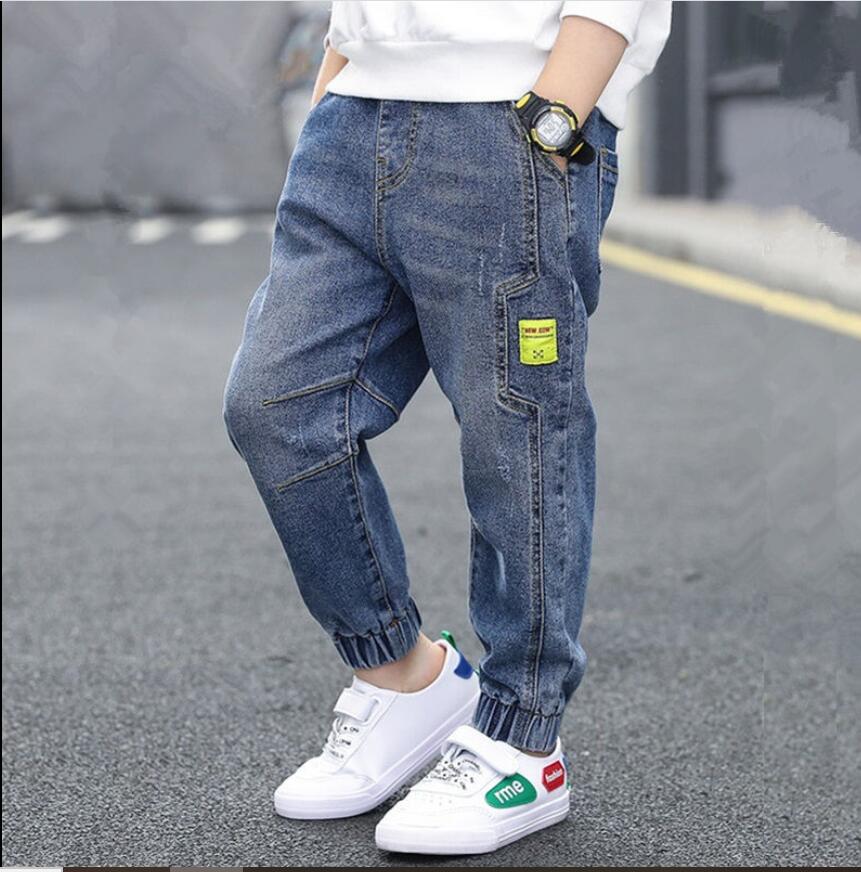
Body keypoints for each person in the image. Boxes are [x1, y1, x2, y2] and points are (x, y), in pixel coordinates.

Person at [223, 0, 671, 856]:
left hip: (507, 117)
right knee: (278, 405)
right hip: (353, 119)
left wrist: (553, 120)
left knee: (517, 433)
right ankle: (405, 678)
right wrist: (335, 86)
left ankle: (522, 738)